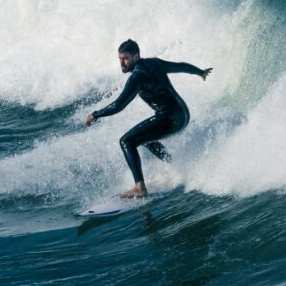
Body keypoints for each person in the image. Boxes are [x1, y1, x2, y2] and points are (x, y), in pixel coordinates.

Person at [85, 39, 212, 199]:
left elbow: (118, 106)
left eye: (125, 58)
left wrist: (95, 115)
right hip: (183, 114)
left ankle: (140, 188)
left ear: (136, 56)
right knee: (143, 138)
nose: (122, 63)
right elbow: (180, 66)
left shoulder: (137, 76)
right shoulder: (154, 63)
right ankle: (175, 165)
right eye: (119, 59)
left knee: (126, 141)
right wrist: (199, 72)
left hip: (170, 119)